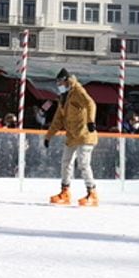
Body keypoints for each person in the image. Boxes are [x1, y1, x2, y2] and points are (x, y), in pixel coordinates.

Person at [44, 68, 99, 206]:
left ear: (67, 81)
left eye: (60, 82)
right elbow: (58, 119)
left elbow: (91, 103)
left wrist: (91, 121)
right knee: (66, 162)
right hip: (72, 136)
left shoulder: (77, 91)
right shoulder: (63, 98)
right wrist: (48, 136)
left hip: (85, 134)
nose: (58, 85)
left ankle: (92, 193)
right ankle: (65, 192)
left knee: (83, 163)